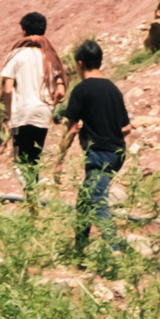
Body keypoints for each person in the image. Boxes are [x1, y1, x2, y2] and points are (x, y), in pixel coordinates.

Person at [52, 39, 132, 261]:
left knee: (96, 198)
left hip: (100, 154)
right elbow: (126, 128)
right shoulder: (113, 89)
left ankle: (117, 252)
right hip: (117, 153)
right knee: (83, 201)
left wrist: (59, 161)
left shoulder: (82, 90)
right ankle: (79, 252)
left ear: (79, 63)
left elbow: (70, 130)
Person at [0, 13, 66, 194]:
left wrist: (9, 113)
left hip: (22, 114)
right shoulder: (49, 57)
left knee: (20, 160)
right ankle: (34, 198)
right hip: (42, 113)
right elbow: (60, 91)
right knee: (35, 158)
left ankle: (31, 200)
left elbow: (8, 89)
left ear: (24, 31)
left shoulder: (17, 55)